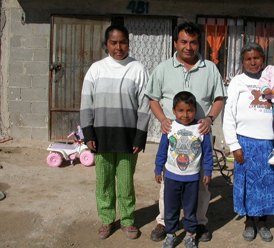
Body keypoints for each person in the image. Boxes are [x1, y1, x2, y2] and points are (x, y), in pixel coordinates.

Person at [145, 21, 226, 242]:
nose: (188, 47)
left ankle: (199, 223)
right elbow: (152, 98)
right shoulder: (163, 68)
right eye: (183, 42)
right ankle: (164, 222)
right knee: (168, 184)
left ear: (198, 43)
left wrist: (210, 119)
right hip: (173, 136)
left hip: (200, 134)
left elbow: (219, 98)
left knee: (201, 184)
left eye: (193, 42)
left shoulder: (209, 68)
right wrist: (162, 119)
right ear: (175, 42)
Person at [80, 25, 150, 240]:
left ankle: (128, 221)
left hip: (128, 139)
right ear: (107, 44)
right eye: (113, 42)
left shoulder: (138, 69)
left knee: (126, 182)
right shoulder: (96, 69)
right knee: (104, 181)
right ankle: (107, 219)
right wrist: (89, 134)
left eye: (123, 42)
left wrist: (140, 136)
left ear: (128, 43)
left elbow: (145, 105)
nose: (118, 47)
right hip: (101, 138)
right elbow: (86, 104)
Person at [223, 42, 274, 242]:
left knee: (268, 184)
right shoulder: (238, 82)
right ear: (242, 62)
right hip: (246, 142)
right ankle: (248, 221)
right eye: (248, 59)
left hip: (271, 144)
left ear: (264, 59)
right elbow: (229, 115)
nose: (253, 62)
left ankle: (263, 221)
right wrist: (234, 145)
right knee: (248, 184)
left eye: (257, 58)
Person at [154, 91, 214, 248]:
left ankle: (189, 235)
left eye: (189, 110)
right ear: (174, 110)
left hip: (192, 178)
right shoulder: (170, 127)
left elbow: (208, 153)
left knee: (190, 209)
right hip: (172, 178)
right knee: (171, 208)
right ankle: (170, 234)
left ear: (195, 110)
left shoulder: (201, 128)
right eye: (181, 110)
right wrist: (157, 168)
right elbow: (162, 150)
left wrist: (207, 172)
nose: (185, 115)